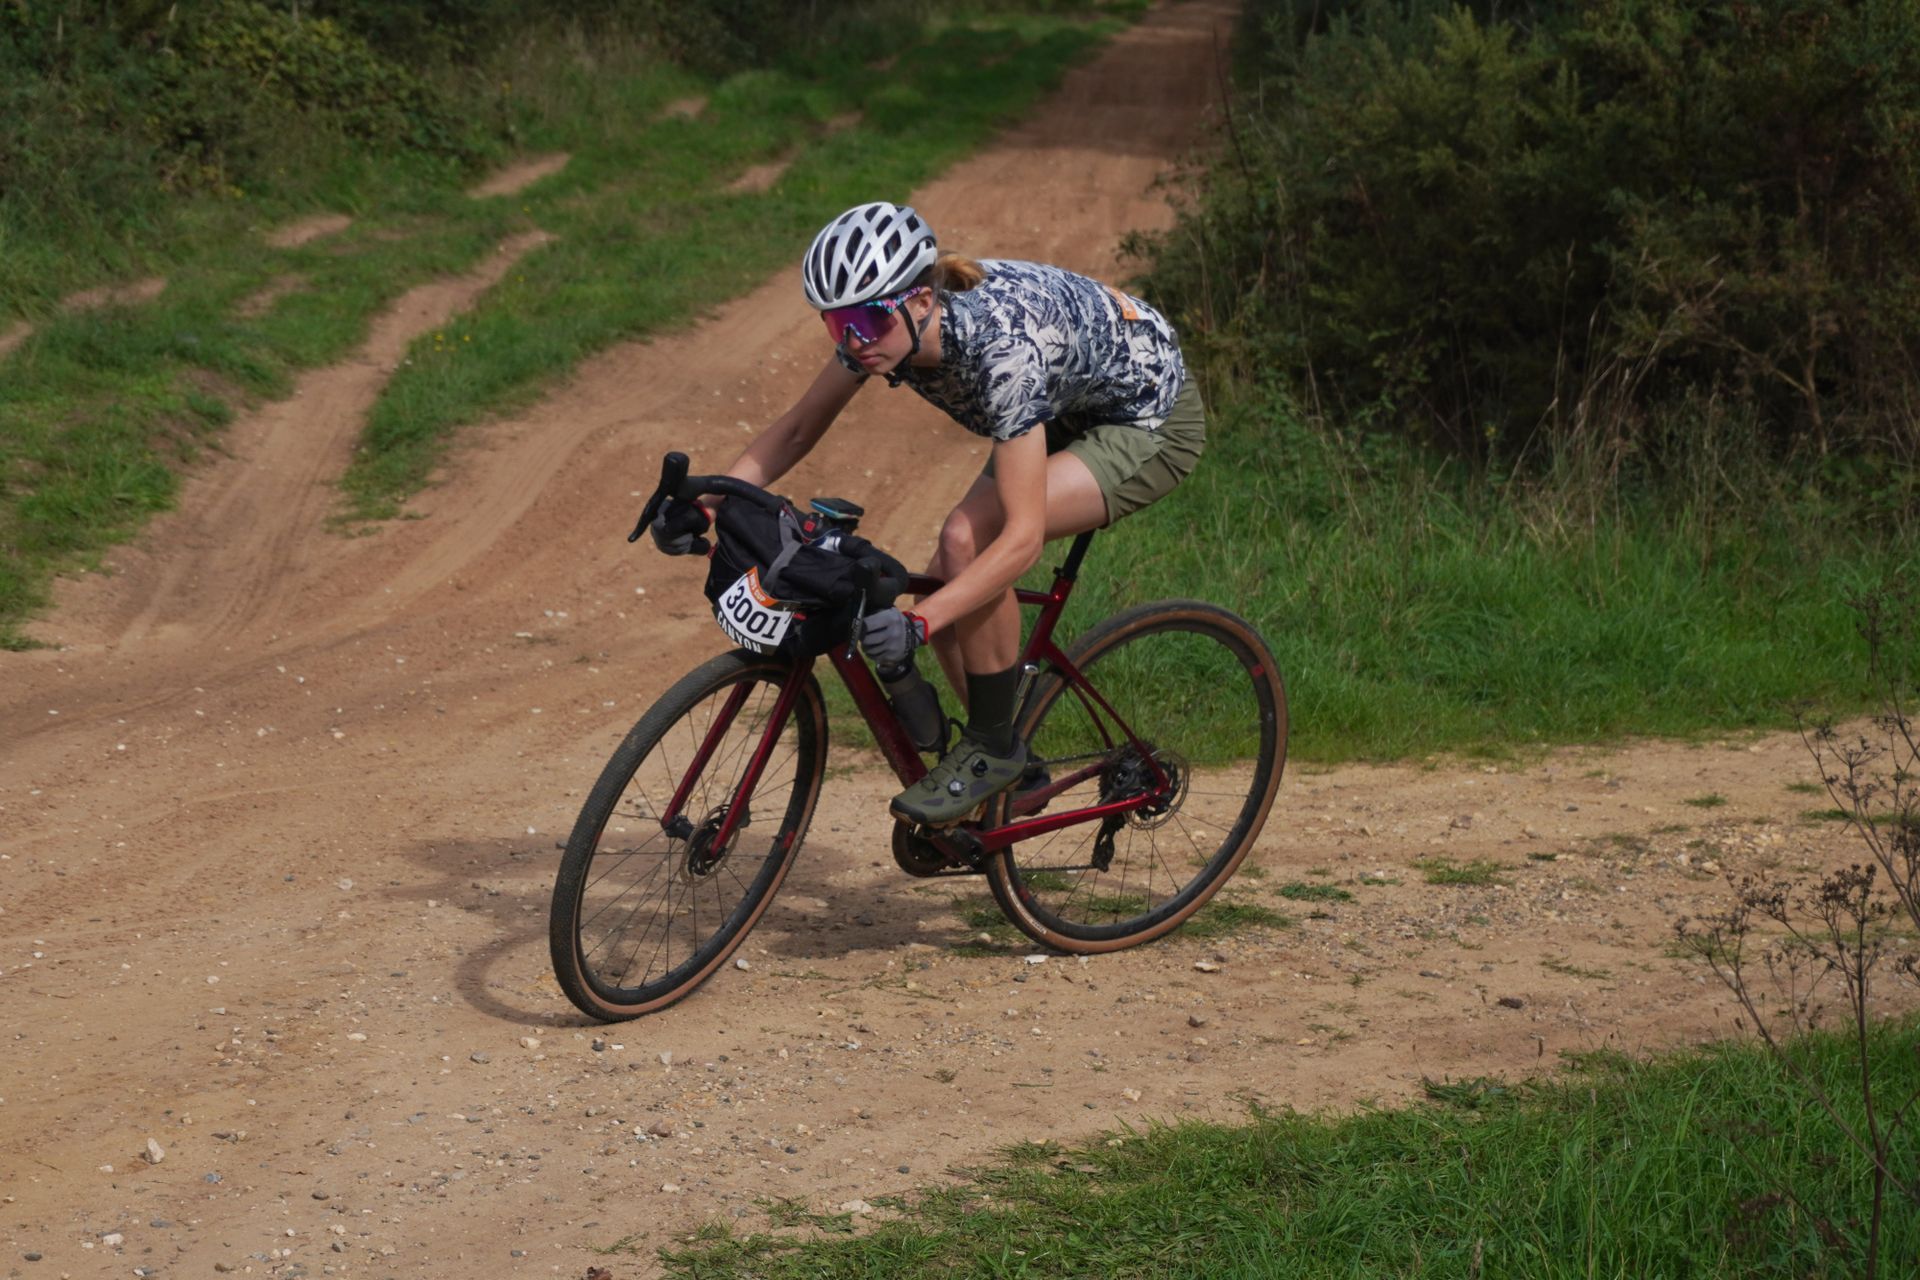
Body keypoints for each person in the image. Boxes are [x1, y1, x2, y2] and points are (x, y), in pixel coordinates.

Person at [650, 200, 1206, 826]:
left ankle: (994, 749)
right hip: (1063, 392)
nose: (853, 340)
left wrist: (920, 623)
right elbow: (799, 428)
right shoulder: (881, 331)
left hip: (1143, 417)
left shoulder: (1003, 351)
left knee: (969, 540)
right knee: (952, 560)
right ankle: (1008, 760)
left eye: (865, 319)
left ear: (919, 300)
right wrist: (714, 497)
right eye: (836, 324)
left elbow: (1021, 540)